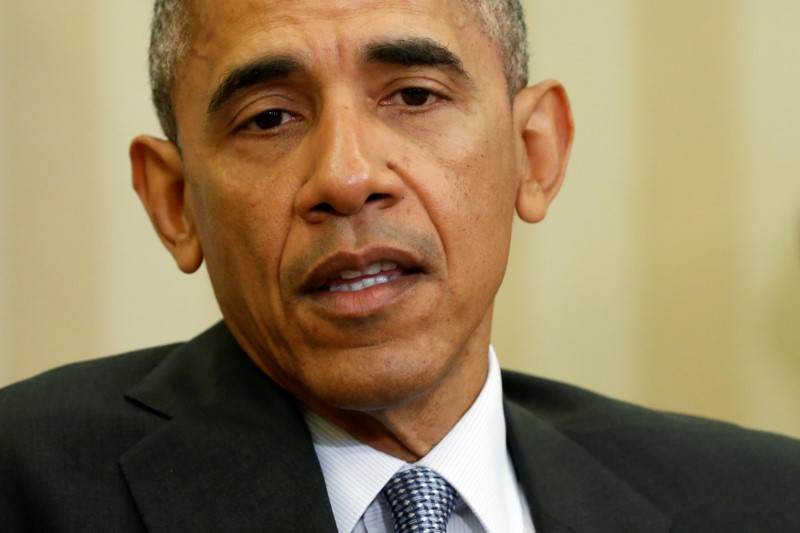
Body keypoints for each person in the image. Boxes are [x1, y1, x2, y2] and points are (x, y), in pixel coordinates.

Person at [1, 0, 799, 531]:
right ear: (175, 203)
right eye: (269, 117)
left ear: (533, 152)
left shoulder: (761, 500)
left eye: (414, 96)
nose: (347, 178)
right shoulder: (29, 483)